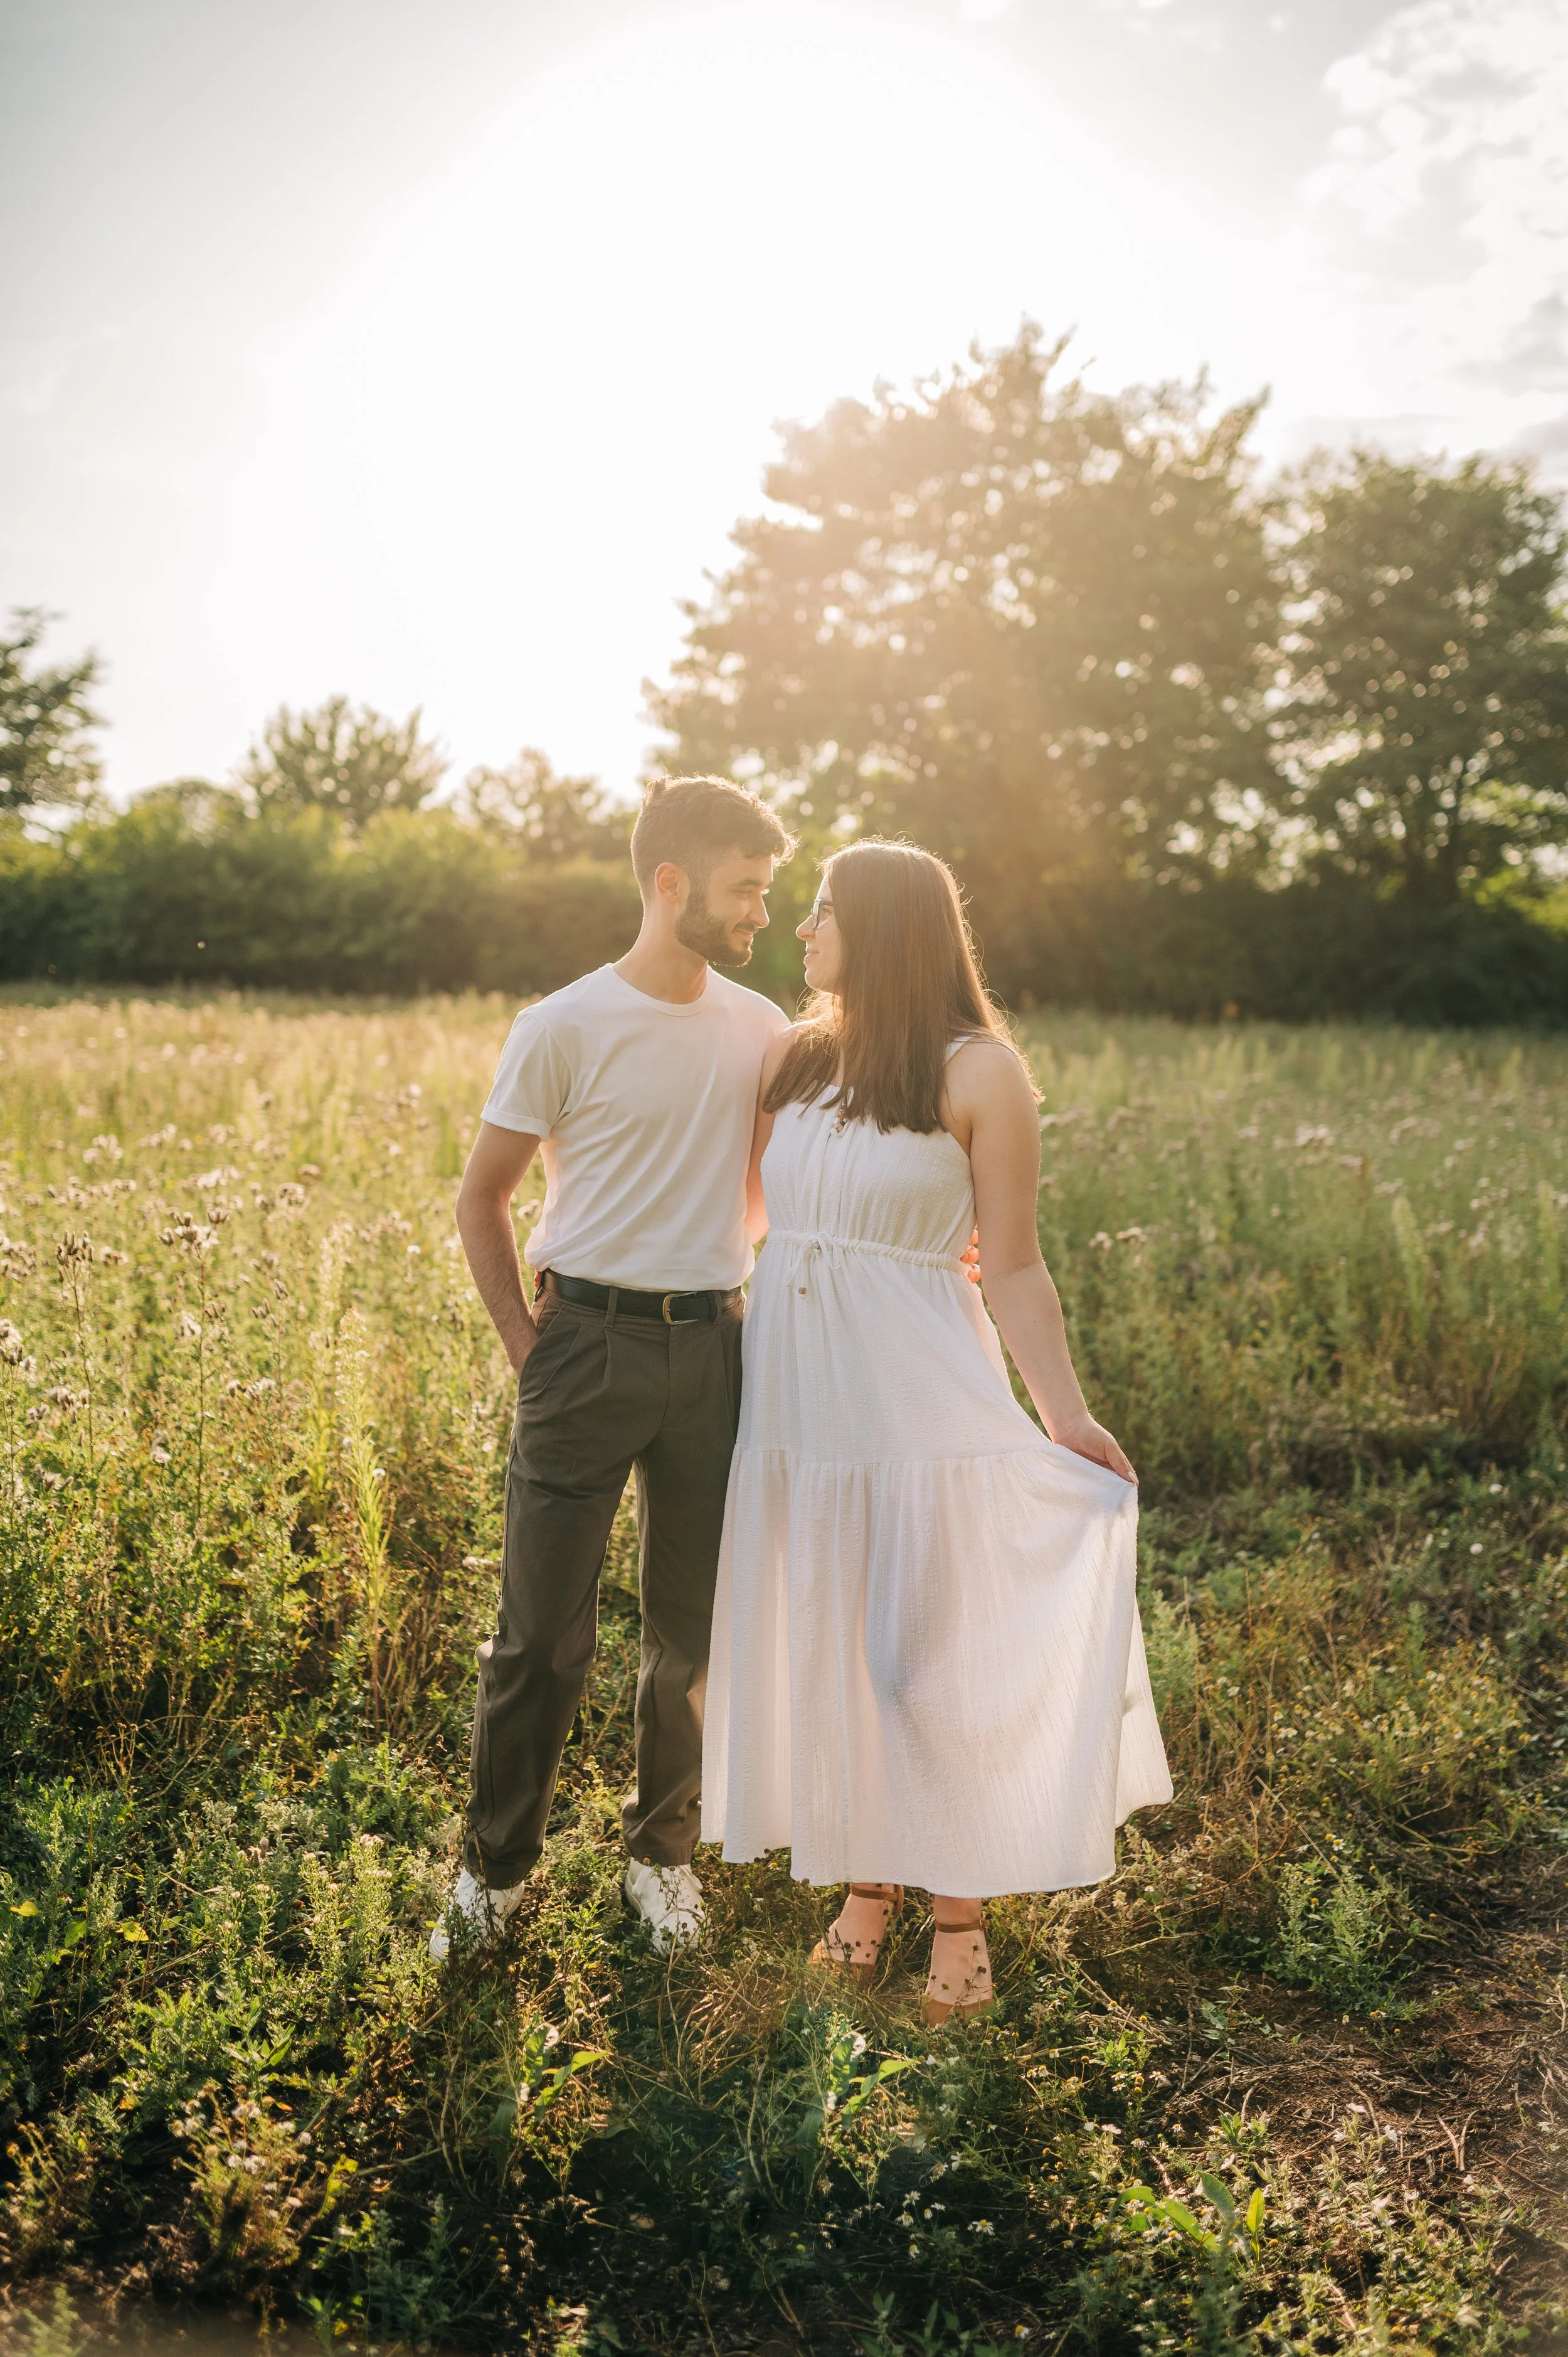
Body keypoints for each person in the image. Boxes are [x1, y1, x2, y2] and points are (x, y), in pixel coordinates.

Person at [701, 839, 1172, 2021]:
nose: (802, 934)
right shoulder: (796, 1058)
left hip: (922, 1396)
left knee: (924, 1664)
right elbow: (749, 1209)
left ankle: (958, 1912)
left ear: (886, 928)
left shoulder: (981, 1074)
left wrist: (1065, 1414)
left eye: (820, 914)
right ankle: (869, 1891)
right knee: (837, 1646)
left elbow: (1010, 1263)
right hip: (802, 1399)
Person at [432, 775, 794, 1961]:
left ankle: (661, 1859)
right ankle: (495, 1876)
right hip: (582, 1346)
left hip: (718, 1348)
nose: (759, 916)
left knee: (689, 1631)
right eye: (745, 891)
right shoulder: (562, 1025)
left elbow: (771, 1186)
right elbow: (482, 1199)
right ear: (671, 882)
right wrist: (531, 1352)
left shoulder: (762, 1030)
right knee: (541, 1635)